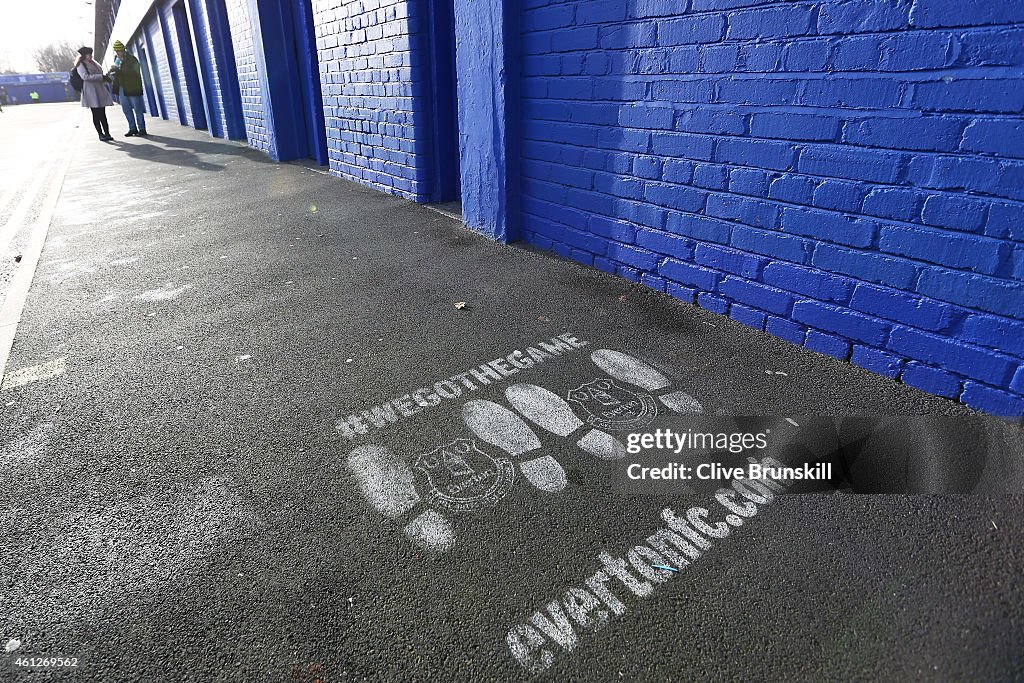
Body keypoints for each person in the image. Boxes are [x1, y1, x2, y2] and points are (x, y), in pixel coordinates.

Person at [108, 40, 146, 137]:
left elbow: (135, 73)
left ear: (123, 50)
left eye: (119, 50)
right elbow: (117, 72)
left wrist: (119, 71)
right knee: (126, 109)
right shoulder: (116, 60)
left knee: (137, 108)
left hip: (132, 87)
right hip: (122, 88)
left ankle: (142, 129)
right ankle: (132, 128)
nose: (117, 53)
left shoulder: (132, 59)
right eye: (116, 51)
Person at [75, 46, 114, 142]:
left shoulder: (94, 63)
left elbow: (100, 72)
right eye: (89, 54)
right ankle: (100, 134)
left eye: (91, 54)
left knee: (103, 114)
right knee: (96, 114)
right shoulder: (81, 65)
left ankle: (107, 133)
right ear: (84, 55)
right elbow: (85, 76)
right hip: (91, 91)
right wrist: (101, 77)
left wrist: (104, 77)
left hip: (99, 89)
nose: (91, 56)